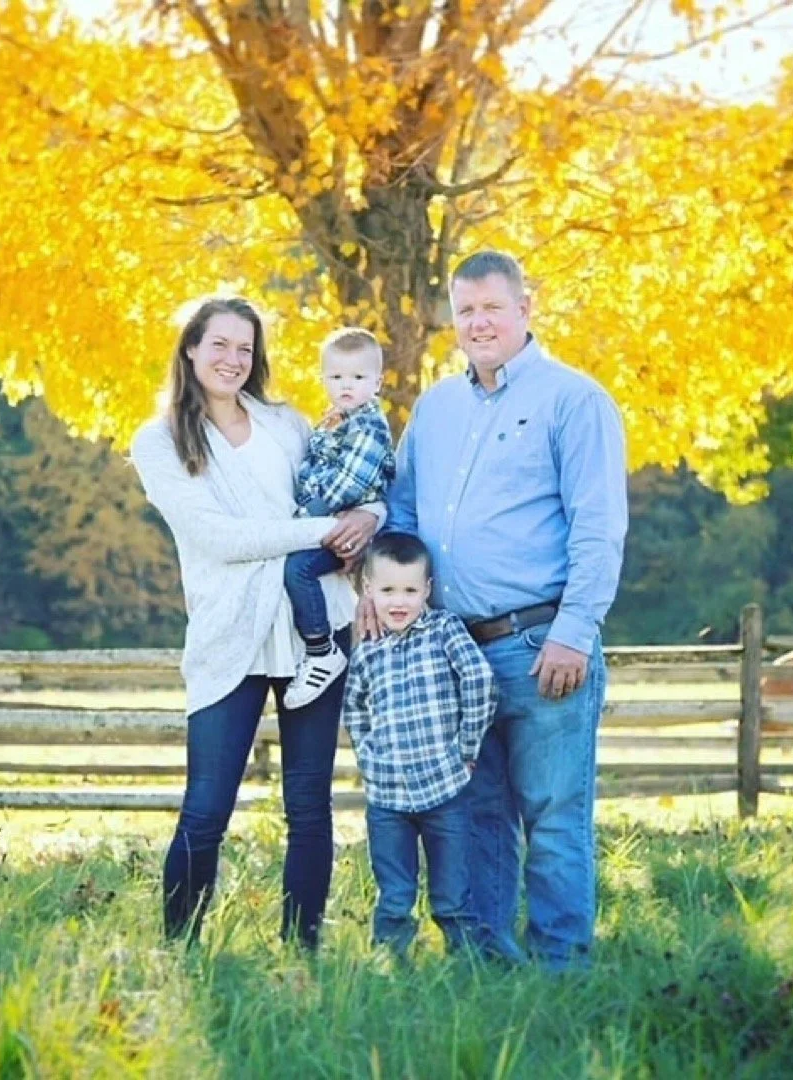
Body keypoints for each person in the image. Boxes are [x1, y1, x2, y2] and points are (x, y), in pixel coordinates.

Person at [367, 251, 628, 969]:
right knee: (476, 817)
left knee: (552, 817)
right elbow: (406, 511)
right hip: (452, 651)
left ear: (525, 309)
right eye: (466, 311)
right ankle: (487, 966)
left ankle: (560, 968)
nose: (479, 322)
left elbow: (598, 526)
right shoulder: (437, 407)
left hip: (542, 644)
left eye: (492, 307)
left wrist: (575, 633)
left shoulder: (574, 400)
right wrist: (384, 594)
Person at [129, 297, 383, 950]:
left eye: (245, 349)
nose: (232, 360)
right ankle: (178, 950)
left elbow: (353, 484)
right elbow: (216, 537)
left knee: (309, 806)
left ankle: (303, 952)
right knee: (207, 807)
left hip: (316, 625)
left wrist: (372, 516)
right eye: (219, 345)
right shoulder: (159, 440)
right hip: (229, 632)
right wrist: (327, 531)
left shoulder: (286, 423)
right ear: (190, 348)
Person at [342, 532, 498, 960]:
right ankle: (390, 969)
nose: (399, 601)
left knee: (451, 895)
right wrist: (368, 758)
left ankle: (466, 969)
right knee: (395, 894)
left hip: (444, 788)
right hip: (388, 797)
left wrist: (466, 749)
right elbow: (353, 707)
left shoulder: (444, 629)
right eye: (388, 590)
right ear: (367, 589)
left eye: (410, 590)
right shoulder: (367, 648)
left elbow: (479, 681)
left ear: (427, 590)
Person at [283, 328, 396, 710]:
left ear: (377, 382)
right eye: (337, 377)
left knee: (299, 569)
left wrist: (304, 515)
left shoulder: (368, 427)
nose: (347, 385)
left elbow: (349, 483)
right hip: (327, 524)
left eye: (359, 378)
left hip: (346, 530)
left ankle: (321, 650)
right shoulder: (333, 420)